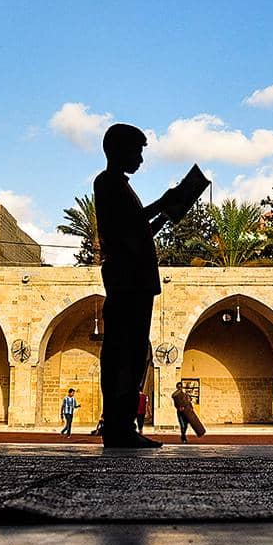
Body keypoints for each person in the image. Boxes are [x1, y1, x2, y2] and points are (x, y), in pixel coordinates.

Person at [94, 123, 177, 449]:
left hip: (136, 280)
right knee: (122, 352)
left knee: (133, 350)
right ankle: (117, 427)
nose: (141, 158)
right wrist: (161, 204)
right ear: (118, 150)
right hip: (126, 280)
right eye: (137, 150)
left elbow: (137, 233)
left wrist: (165, 213)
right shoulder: (108, 183)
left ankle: (123, 424)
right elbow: (127, 229)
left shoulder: (121, 187)